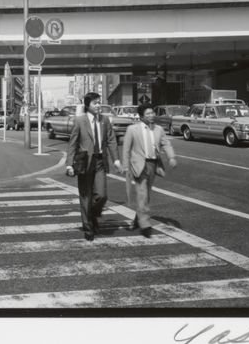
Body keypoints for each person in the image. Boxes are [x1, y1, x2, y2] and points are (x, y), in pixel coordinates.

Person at [64, 92, 123, 241]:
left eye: (99, 102)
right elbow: (73, 143)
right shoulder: (79, 121)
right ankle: (88, 227)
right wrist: (69, 164)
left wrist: (116, 159)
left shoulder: (105, 120)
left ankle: (92, 214)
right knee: (85, 196)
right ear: (87, 105)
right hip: (84, 163)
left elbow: (111, 140)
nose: (98, 105)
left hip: (100, 162)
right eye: (95, 103)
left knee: (102, 195)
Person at [121, 102, 177, 236]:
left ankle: (137, 219)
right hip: (139, 165)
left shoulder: (159, 129)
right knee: (142, 194)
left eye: (152, 113)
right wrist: (125, 166)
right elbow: (126, 149)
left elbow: (166, 143)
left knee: (146, 194)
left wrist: (171, 157)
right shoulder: (132, 129)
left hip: (153, 165)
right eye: (148, 113)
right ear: (141, 116)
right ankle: (145, 225)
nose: (152, 115)